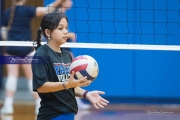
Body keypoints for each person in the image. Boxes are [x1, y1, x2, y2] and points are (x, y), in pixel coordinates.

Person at [32, 12, 109, 120]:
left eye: (66, 28)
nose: (65, 31)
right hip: (52, 115)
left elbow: (69, 86)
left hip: (69, 114)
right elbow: (41, 87)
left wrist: (87, 94)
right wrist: (66, 85)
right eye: (60, 28)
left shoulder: (67, 55)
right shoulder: (41, 54)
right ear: (48, 32)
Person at [0, 0, 64, 114]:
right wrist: (58, 1)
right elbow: (46, 10)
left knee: (12, 76)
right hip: (25, 49)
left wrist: (8, 41)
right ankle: (38, 105)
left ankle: (8, 106)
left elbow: (3, 30)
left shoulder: (8, 11)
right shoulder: (27, 10)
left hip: (11, 48)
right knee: (31, 77)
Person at [42, 0, 91, 110]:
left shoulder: (61, 14)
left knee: (70, 76)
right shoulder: (58, 15)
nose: (71, 1)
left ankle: (76, 101)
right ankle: (72, 102)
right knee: (68, 76)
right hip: (61, 50)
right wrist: (70, 34)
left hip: (65, 50)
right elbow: (54, 32)